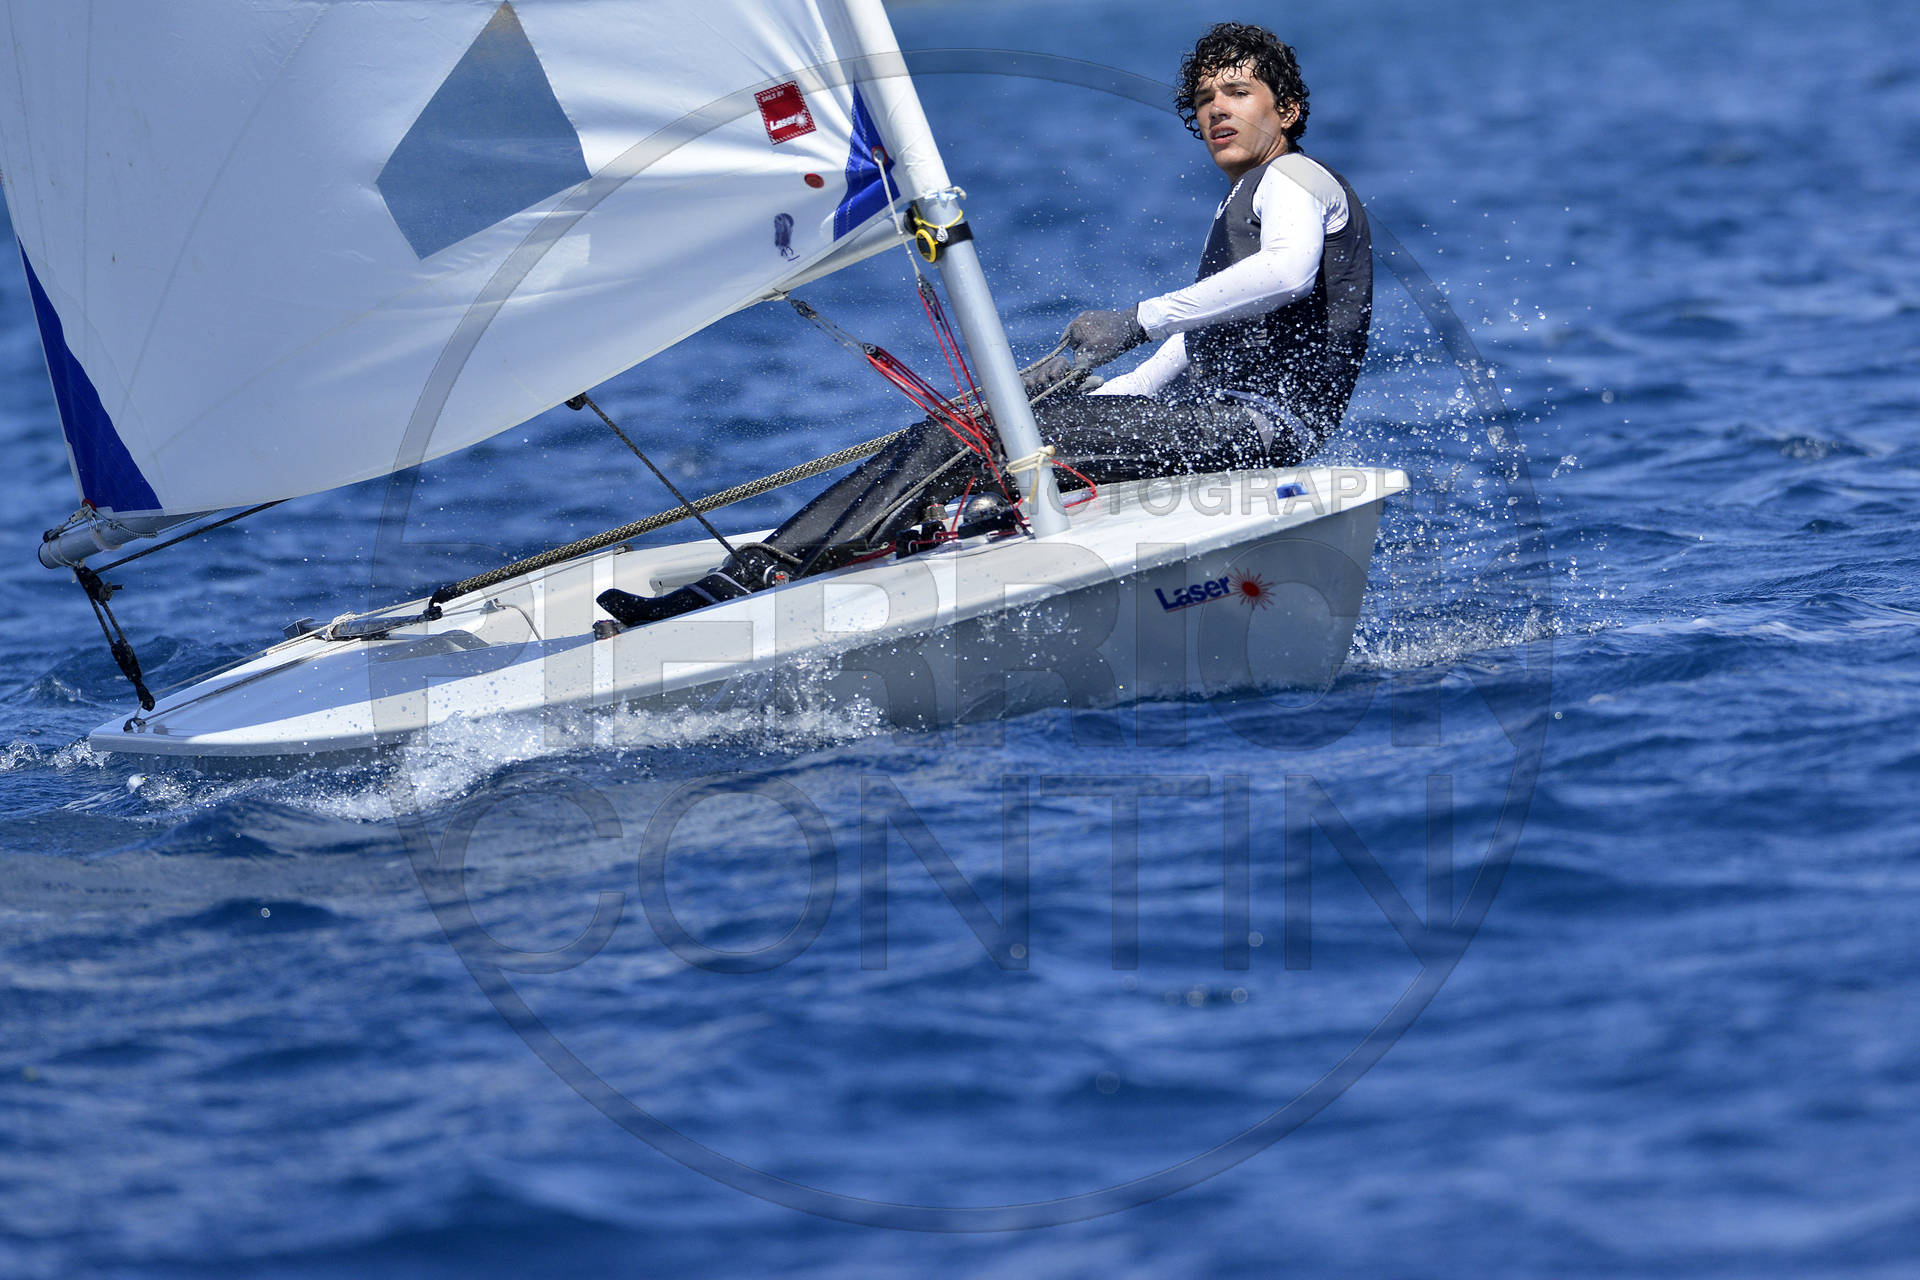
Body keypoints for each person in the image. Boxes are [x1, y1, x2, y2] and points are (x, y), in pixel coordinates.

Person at [598, 22, 1372, 627]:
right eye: (1204, 99)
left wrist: (1135, 320)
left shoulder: (1294, 177)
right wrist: (1092, 390)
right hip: (1222, 423)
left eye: (1237, 92)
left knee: (978, 439)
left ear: (1287, 111)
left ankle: (758, 574)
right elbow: (1195, 346)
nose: (1216, 110)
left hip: (1257, 430)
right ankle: (856, 550)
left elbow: (1285, 273)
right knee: (985, 428)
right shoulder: (1244, 197)